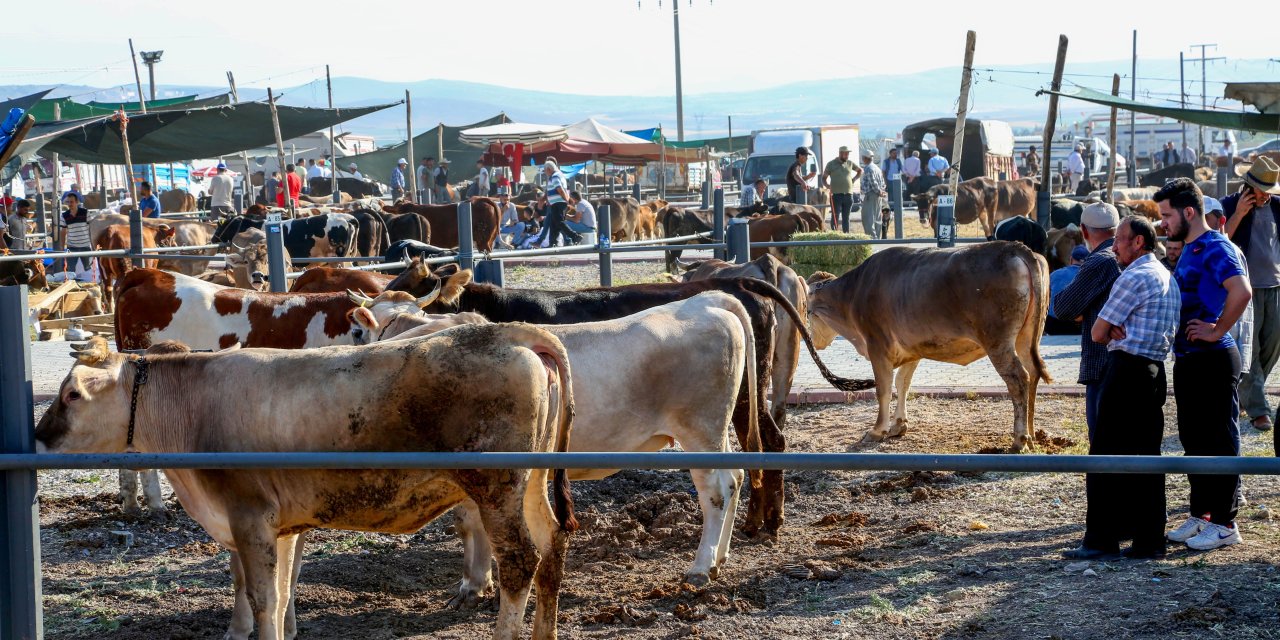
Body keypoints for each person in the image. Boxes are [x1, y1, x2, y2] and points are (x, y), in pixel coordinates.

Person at [1063, 215, 1181, 561]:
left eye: (1120, 240)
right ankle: (1149, 540)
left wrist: (1111, 327)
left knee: (1104, 455)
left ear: (1138, 242)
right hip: (1154, 371)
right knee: (1147, 456)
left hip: (1126, 370)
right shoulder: (1166, 276)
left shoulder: (1133, 277)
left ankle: (1102, 539)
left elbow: (1098, 333)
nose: (1113, 247)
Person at [1158, 177, 1252, 551]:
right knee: (1194, 440)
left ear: (1189, 212)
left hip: (1213, 358)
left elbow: (1242, 291)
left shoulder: (1215, 246)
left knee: (1219, 440)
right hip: (1189, 359)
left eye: (1167, 215)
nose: (1163, 223)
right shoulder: (1191, 248)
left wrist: (1216, 330)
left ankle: (1226, 523)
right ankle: (1203, 514)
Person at [1052, 202, 1122, 440]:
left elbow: (1063, 308)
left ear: (1083, 230)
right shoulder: (1132, 257)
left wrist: (1083, 307)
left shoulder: (1098, 261)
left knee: (1102, 438)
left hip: (1102, 361)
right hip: (1132, 359)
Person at [1223, 157, 1280, 433]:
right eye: (1260, 190)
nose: (1264, 195)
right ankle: (1259, 410)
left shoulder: (1278, 207)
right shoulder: (1229, 205)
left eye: (1268, 190)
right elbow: (1219, 240)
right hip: (1244, 287)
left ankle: (1247, 393)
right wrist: (1238, 214)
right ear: (1249, 185)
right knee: (1251, 348)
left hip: (1275, 285)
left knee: (1272, 344)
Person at [1205, 196, 1255, 371]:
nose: (1199, 224)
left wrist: (1218, 332)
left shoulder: (1226, 251)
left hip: (1222, 345)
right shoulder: (1196, 248)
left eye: (1205, 218)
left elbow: (1242, 298)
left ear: (1221, 221)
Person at [532, 159, 580, 247]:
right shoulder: (557, 175)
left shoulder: (554, 176)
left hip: (558, 203)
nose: (545, 173)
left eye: (545, 171)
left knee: (559, 222)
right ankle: (553, 242)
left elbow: (560, 189)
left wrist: (566, 199)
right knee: (554, 224)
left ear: (549, 169)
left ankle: (574, 236)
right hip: (555, 203)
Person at [1046, 245, 1091, 335]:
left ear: (1071, 259)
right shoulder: (1091, 276)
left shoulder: (1054, 274)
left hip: (1053, 325)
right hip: (1077, 327)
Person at [822, 146, 861, 233]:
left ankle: (846, 234)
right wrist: (827, 185)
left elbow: (860, 171)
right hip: (836, 195)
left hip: (848, 194)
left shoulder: (850, 163)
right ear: (840, 153)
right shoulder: (831, 164)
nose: (847, 156)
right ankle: (835, 234)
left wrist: (854, 179)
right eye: (845, 154)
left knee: (846, 217)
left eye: (848, 154)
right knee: (835, 216)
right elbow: (824, 178)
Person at [59, 192, 95, 282]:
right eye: (68, 202)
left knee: (89, 268)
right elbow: (63, 232)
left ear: (77, 202)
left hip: (85, 245)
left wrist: (93, 244)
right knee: (70, 270)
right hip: (72, 247)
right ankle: (71, 286)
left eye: (71, 202)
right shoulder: (64, 215)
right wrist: (61, 247)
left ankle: (91, 284)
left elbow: (91, 228)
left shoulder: (85, 212)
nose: (69, 204)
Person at [860, 153, 886, 238]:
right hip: (878, 195)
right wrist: (881, 191)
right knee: (877, 217)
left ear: (865, 158)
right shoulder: (877, 168)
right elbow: (883, 182)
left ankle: (872, 238)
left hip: (871, 194)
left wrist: (878, 191)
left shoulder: (868, 168)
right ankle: (877, 237)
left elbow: (873, 182)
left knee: (868, 218)